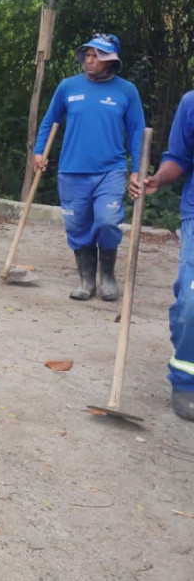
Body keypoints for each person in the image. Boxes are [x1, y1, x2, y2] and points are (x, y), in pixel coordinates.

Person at [33, 34, 145, 302]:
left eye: (97, 56)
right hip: (72, 170)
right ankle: (86, 280)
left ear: (110, 61)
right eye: (87, 55)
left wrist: (137, 169)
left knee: (107, 222)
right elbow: (50, 121)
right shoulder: (68, 87)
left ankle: (107, 277)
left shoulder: (126, 91)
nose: (89, 60)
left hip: (111, 171)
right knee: (78, 226)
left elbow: (137, 131)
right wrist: (39, 152)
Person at [129, 96, 194, 421]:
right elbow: (180, 159)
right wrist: (157, 178)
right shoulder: (192, 102)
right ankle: (186, 380)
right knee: (192, 304)